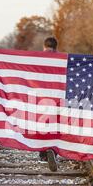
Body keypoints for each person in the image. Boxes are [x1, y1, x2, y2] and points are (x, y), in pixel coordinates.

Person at [40, 37, 59, 172]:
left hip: (41, 98)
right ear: (56, 47)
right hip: (56, 97)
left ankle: (43, 153)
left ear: (43, 46)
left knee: (41, 124)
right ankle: (52, 149)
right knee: (55, 124)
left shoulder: (37, 58)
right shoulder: (61, 59)